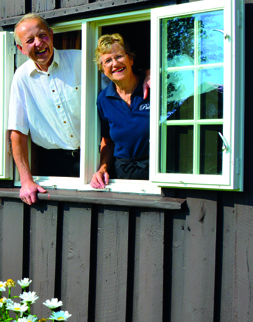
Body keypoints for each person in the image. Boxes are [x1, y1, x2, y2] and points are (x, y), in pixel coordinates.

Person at [8, 14, 84, 205]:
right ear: (21, 49)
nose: (39, 43)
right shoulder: (21, 77)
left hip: (96, 156)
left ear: (51, 35)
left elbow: (118, 87)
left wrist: (146, 74)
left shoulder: (80, 60)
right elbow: (17, 132)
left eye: (42, 35)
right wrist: (26, 180)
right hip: (55, 165)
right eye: (30, 40)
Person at [90, 33, 150, 188]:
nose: (115, 63)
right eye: (108, 61)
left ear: (131, 59)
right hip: (121, 177)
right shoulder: (104, 99)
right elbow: (108, 142)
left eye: (119, 56)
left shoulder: (151, 87)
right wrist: (102, 169)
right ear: (102, 69)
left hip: (154, 174)